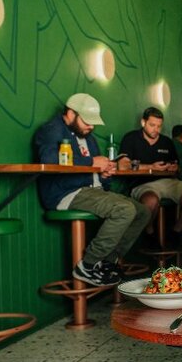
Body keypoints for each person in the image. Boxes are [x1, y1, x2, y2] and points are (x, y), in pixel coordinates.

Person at [33, 93, 151, 286]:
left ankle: (106, 261)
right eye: (87, 121)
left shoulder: (88, 136)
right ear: (71, 114)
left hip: (92, 191)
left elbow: (95, 173)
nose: (91, 126)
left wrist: (104, 175)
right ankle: (88, 265)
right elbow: (49, 160)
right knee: (124, 209)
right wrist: (91, 162)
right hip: (66, 193)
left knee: (142, 212)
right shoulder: (52, 130)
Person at [119, 108, 182, 247]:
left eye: (159, 126)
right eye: (152, 125)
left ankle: (175, 232)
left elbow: (175, 165)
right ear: (143, 122)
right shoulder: (131, 138)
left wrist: (173, 167)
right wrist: (150, 167)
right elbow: (123, 166)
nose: (156, 129)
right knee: (150, 201)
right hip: (142, 183)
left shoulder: (166, 142)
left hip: (170, 182)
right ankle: (149, 232)